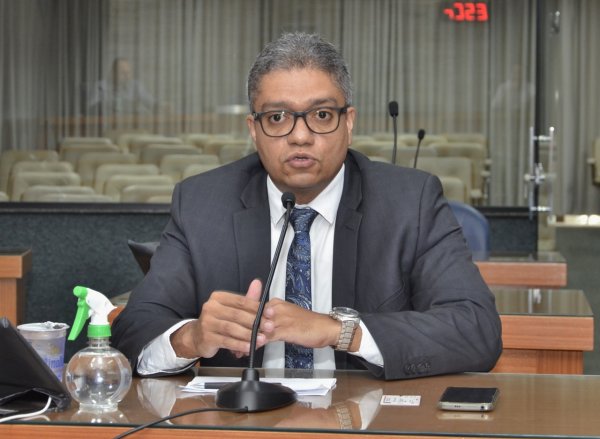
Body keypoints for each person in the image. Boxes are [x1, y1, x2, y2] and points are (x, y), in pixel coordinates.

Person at [112, 32, 502, 380]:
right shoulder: (203, 204)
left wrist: (339, 331)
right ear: (254, 130)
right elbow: (134, 330)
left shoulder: (408, 202)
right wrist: (192, 337)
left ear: (349, 123)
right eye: (277, 117)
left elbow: (476, 329)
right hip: (241, 423)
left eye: (321, 115)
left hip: (365, 421)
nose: (300, 136)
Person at [87, 57, 156, 114]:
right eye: (123, 72)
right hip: (107, 122)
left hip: (129, 122)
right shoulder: (100, 86)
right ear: (113, 73)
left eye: (128, 72)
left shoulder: (136, 86)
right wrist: (108, 104)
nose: (127, 76)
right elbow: (91, 108)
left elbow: (151, 103)